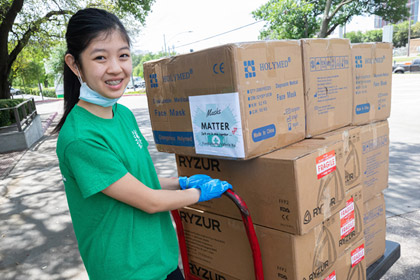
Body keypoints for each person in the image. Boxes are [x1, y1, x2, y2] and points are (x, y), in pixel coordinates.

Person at [54, 8, 232, 280]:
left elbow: (138, 180)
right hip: (127, 270)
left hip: (161, 258)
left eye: (123, 55)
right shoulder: (80, 138)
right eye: (100, 57)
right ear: (74, 64)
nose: (116, 68)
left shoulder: (122, 114)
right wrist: (198, 195)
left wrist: (180, 182)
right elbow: (148, 201)